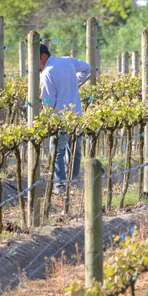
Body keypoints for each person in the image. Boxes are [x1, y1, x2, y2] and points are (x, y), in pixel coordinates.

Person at [39, 44, 91, 192]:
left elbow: (49, 101)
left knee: (56, 150)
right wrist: (75, 83)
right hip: (77, 114)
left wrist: (46, 115)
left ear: (43, 56)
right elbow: (88, 68)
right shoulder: (68, 61)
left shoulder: (47, 73)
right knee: (75, 147)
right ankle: (73, 179)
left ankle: (60, 184)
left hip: (61, 117)